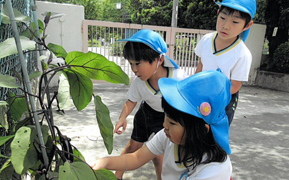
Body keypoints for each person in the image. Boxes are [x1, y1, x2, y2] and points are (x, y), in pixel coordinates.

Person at [93, 70, 232, 180]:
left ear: (201, 130)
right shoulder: (167, 137)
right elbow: (136, 158)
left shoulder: (215, 168)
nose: (165, 125)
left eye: (172, 122)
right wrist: (105, 162)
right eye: (166, 116)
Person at [114, 29, 188, 180]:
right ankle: (117, 175)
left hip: (169, 119)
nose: (134, 69)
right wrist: (122, 118)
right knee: (133, 146)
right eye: (131, 63)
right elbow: (131, 101)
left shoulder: (179, 78)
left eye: (138, 64)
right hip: (146, 115)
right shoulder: (139, 82)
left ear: (159, 60)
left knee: (159, 155)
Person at [195, 0, 257, 125]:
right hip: (202, 93)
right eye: (223, 18)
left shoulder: (242, 54)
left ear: (247, 25)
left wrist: (213, 97)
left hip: (224, 99)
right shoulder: (206, 40)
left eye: (235, 22)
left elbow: (235, 85)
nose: (226, 26)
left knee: (214, 135)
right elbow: (201, 65)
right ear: (218, 13)